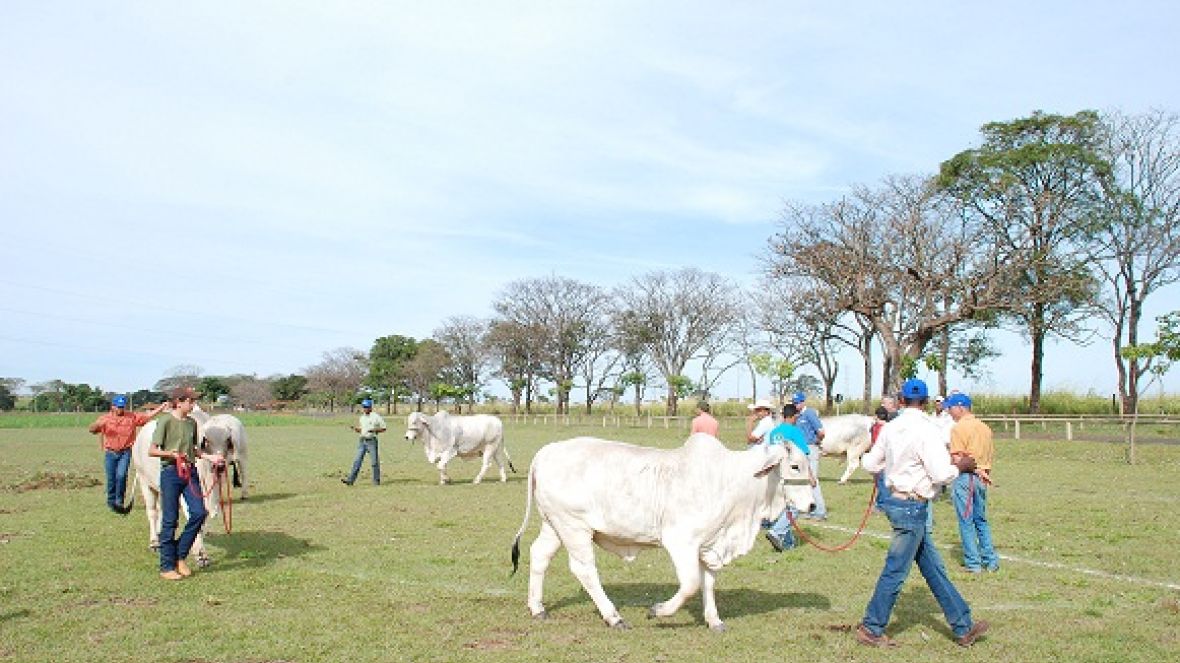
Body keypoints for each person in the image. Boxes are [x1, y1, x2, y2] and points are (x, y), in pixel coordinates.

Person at [855, 378, 989, 648]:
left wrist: (891, 465)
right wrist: (961, 466)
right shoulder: (928, 430)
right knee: (896, 570)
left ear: (901, 401)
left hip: (896, 502)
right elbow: (940, 474)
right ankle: (872, 626)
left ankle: (963, 626)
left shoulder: (891, 428)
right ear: (926, 402)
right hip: (913, 506)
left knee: (934, 569)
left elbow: (869, 463)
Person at [148, 387, 222, 581]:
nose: (193, 405)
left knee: (199, 513)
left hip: (190, 472)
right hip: (171, 473)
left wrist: (211, 457)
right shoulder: (165, 421)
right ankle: (166, 567)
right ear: (179, 402)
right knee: (170, 520)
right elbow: (152, 450)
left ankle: (179, 555)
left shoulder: (191, 423)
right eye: (190, 401)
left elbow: (194, 450)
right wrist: (171, 454)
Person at [945, 392, 999, 573]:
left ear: (960, 407)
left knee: (966, 521)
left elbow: (957, 458)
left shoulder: (958, 429)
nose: (949, 412)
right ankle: (991, 561)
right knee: (981, 520)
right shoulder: (985, 428)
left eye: (950, 408)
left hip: (966, 477)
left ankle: (973, 563)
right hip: (983, 478)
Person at [89, 394, 166, 513]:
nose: (120, 409)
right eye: (118, 407)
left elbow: (147, 416)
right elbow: (92, 429)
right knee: (111, 478)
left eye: (122, 407)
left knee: (121, 475)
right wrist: (97, 426)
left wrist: (161, 408)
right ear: (113, 407)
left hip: (125, 452)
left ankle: (119, 501)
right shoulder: (105, 419)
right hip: (110, 452)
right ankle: (111, 501)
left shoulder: (131, 417)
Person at [762, 403, 812, 552]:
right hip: (792, 474)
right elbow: (803, 454)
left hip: (776, 474)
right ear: (794, 416)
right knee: (797, 505)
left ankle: (788, 543)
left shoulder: (774, 432)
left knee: (783, 506)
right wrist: (810, 474)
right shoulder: (795, 432)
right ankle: (776, 532)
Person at [792, 391, 827, 520]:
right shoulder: (797, 416)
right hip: (799, 449)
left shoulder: (809, 413)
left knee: (813, 480)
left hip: (810, 448)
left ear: (803, 402)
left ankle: (820, 511)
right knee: (803, 480)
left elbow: (821, 431)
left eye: (798, 403)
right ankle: (808, 508)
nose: (796, 405)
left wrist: (817, 441)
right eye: (794, 403)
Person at [342, 398, 387, 486]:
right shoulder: (362, 418)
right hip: (362, 441)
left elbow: (384, 428)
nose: (365, 409)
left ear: (370, 407)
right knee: (357, 461)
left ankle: (376, 481)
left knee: (374, 462)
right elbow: (362, 429)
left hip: (371, 441)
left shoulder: (376, 417)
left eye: (366, 407)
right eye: (364, 407)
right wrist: (356, 429)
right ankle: (350, 480)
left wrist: (374, 430)